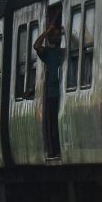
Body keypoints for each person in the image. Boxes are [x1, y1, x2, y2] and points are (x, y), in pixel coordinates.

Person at [33, 18, 65, 158]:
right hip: (52, 92)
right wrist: (47, 31)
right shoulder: (47, 52)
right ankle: (54, 149)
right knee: (53, 123)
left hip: (61, 91)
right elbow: (36, 45)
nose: (57, 37)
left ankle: (57, 149)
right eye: (55, 35)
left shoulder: (62, 52)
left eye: (59, 35)